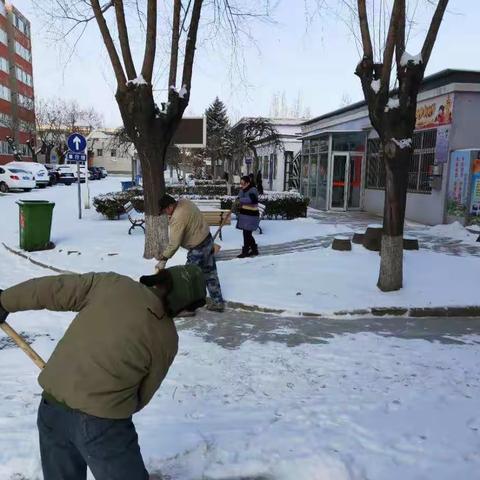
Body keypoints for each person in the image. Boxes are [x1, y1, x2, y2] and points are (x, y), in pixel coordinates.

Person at [0, 265, 206, 480]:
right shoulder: (167, 337)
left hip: (51, 408)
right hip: (104, 425)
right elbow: (143, 396)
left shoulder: (112, 284)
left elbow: (53, 289)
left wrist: (4, 300)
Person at [156, 194, 225, 313]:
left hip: (197, 249)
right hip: (207, 241)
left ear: (170, 206)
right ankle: (218, 302)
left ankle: (186, 309)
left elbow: (174, 244)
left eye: (165, 210)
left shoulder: (177, 218)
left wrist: (163, 259)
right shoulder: (185, 202)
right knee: (210, 273)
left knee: (186, 278)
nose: (165, 214)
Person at [236, 175, 260, 258]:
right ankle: (254, 250)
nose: (241, 185)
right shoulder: (243, 190)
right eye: (241, 183)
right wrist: (242, 191)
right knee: (247, 234)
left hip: (251, 216)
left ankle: (246, 251)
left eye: (243, 183)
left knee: (247, 234)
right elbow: (239, 197)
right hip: (246, 215)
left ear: (248, 183)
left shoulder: (253, 189)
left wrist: (241, 199)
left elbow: (252, 200)